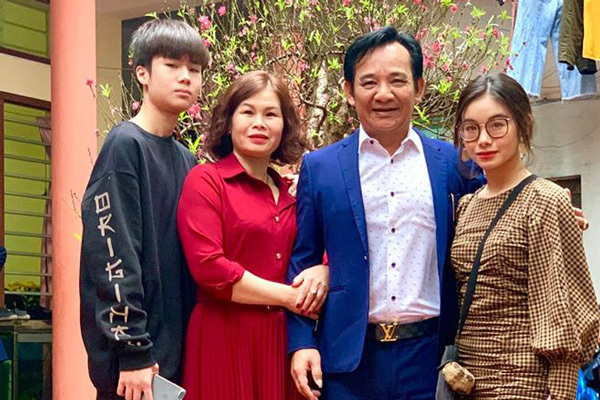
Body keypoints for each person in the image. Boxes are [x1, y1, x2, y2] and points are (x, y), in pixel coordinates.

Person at [287, 26, 590, 400]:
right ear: (349, 91)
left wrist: (553, 211)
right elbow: (302, 260)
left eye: (397, 80)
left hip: (431, 358)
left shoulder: (452, 164)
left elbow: (500, 204)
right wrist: (302, 340)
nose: (384, 93)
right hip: (348, 363)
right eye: (369, 82)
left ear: (419, 87)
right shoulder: (321, 168)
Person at [176, 71, 329, 400]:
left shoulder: (293, 194)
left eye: (271, 114)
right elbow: (209, 268)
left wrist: (324, 270)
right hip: (224, 338)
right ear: (229, 121)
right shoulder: (206, 181)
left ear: (284, 126)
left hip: (285, 343)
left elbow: (319, 251)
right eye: (247, 112)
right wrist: (288, 297)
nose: (259, 123)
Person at [79, 19, 209, 400]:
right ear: (142, 74)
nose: (185, 77)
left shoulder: (186, 160)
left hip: (176, 359)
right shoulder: (124, 146)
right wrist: (132, 349)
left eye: (194, 69)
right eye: (172, 65)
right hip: (136, 363)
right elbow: (111, 255)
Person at [450, 73, 599, 399]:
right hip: (466, 381)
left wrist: (560, 390)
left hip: (524, 382)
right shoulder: (466, 206)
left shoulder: (544, 199)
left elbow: (560, 303)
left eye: (497, 125)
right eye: (471, 128)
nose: (483, 140)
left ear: (523, 125)